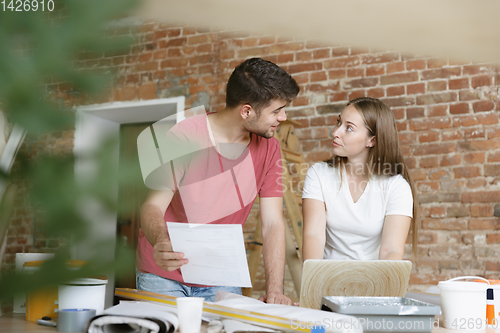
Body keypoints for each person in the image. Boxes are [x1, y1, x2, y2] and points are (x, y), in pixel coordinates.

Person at [136, 58, 299, 304]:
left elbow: (273, 223)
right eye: (276, 110)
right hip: (164, 274)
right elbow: (152, 206)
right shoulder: (183, 136)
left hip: (221, 273)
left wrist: (275, 289)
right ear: (246, 111)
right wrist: (160, 241)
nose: (283, 117)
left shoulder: (269, 148)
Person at [302, 97, 418, 261]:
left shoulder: (397, 187)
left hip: (373, 281)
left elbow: (390, 250)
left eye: (349, 128)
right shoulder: (318, 174)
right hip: (327, 280)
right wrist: (314, 283)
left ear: (372, 140)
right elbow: (313, 235)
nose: (335, 133)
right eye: (338, 123)